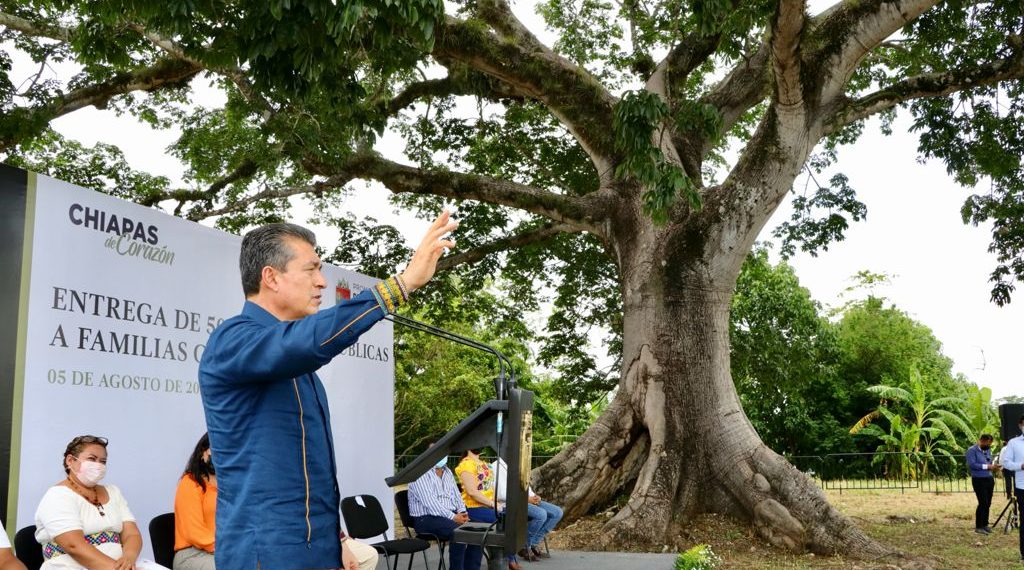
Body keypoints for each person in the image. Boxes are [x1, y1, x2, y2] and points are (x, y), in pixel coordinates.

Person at [199, 213, 457, 570]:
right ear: (270, 277)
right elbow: (302, 344)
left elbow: (312, 476)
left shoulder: (294, 363)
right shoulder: (233, 340)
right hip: (269, 552)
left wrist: (337, 540)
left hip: (318, 547)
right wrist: (400, 286)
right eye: (311, 269)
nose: (322, 282)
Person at [34, 435, 166, 570]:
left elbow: (132, 534)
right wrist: (117, 568)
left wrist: (129, 557)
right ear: (70, 460)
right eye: (92, 459)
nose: (98, 465)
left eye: (103, 461)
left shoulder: (113, 492)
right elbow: (73, 545)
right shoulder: (57, 496)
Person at [406, 453, 482, 570]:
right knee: (460, 533)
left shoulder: (447, 472)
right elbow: (430, 503)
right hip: (426, 518)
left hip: (449, 516)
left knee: (479, 531)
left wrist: (463, 512)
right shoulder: (419, 474)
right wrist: (453, 517)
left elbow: (456, 495)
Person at [455, 450, 520, 570]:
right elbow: (472, 492)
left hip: (487, 506)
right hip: (472, 508)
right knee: (503, 521)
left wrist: (496, 502)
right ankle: (507, 560)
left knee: (509, 517)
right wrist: (492, 504)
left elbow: (490, 488)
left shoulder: (485, 464)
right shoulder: (466, 464)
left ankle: (505, 559)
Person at [492, 457, 562, 561]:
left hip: (526, 500)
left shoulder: (518, 463)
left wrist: (534, 496)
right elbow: (501, 494)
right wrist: (526, 499)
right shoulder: (495, 466)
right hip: (509, 504)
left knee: (557, 512)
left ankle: (533, 543)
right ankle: (524, 546)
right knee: (541, 514)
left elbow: (525, 487)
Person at [172, 433, 216, 570]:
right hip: (192, 555)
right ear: (203, 452)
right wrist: (230, 551)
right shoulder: (190, 483)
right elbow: (195, 534)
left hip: (226, 552)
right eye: (215, 450)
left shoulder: (233, 486)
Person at [998, 416, 1024, 564]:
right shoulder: (1014, 443)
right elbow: (1006, 463)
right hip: (1022, 487)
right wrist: (1020, 466)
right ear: (1020, 425)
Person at [966, 433, 998, 534]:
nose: (988, 445)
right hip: (978, 479)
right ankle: (979, 526)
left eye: (990, 444)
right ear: (982, 440)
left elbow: (989, 460)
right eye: (988, 443)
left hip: (989, 478)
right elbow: (972, 464)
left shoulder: (987, 449)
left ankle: (985, 524)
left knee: (988, 503)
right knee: (982, 502)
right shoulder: (972, 450)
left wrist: (994, 466)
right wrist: (987, 467)